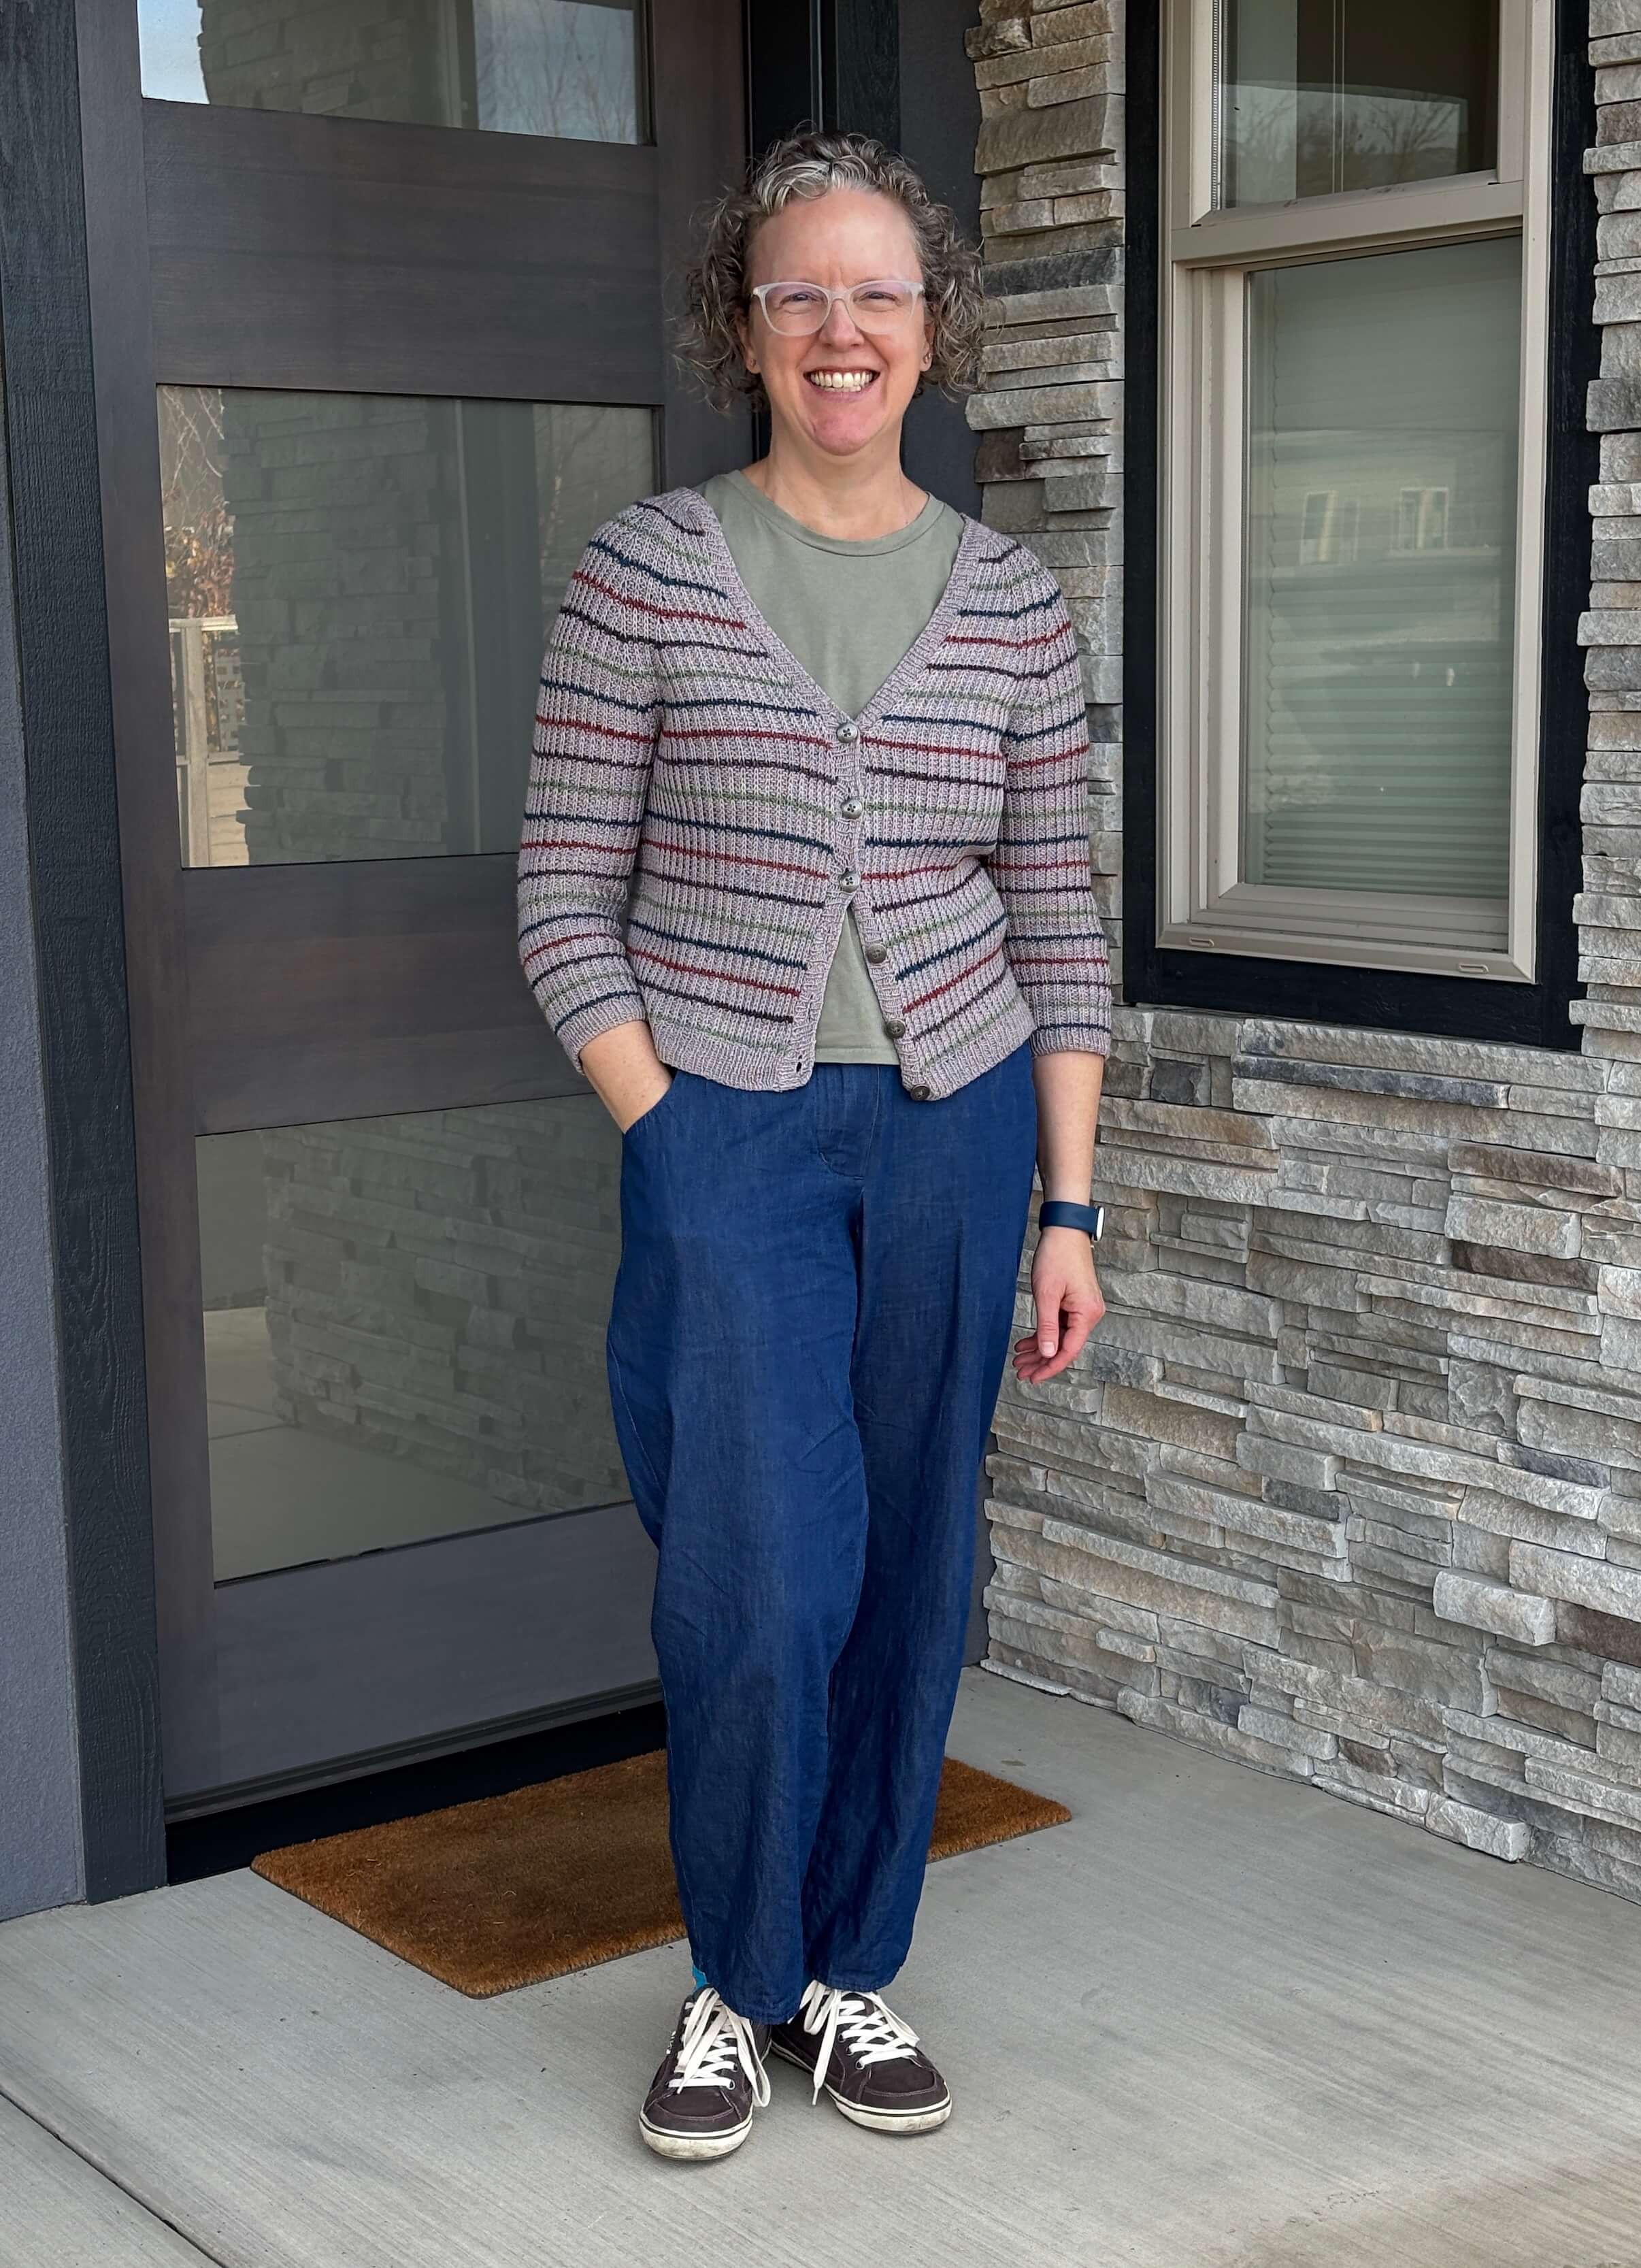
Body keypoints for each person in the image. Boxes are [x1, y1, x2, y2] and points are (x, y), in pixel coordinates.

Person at [517, 125, 1112, 2163]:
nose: (839, 327)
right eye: (799, 293)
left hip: (955, 1144)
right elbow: (558, 901)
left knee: (915, 1582)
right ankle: (730, 1979)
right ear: (743, 328)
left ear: (928, 328)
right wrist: (668, 1132)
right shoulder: (649, 572)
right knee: (757, 1585)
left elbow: (1055, 920)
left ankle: (850, 1971)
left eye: (875, 291)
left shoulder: (1013, 605)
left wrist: (1069, 1202)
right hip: (729, 1137)